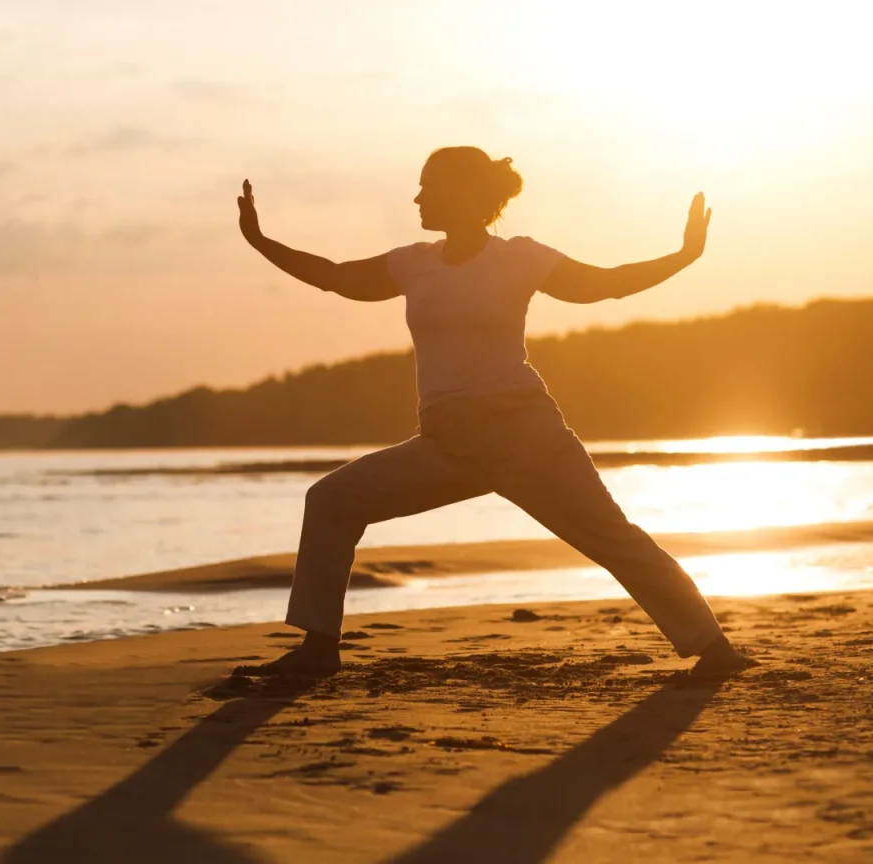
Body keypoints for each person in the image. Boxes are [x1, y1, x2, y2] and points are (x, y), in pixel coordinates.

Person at [235, 145, 751, 680]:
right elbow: (335, 276)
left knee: (613, 539)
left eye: (428, 185)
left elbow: (605, 285)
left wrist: (683, 255)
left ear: (465, 193)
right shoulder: (413, 264)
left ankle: (713, 648)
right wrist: (261, 241)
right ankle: (319, 648)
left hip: (526, 436)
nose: (417, 196)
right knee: (331, 501)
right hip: (446, 444)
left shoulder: (519, 257)